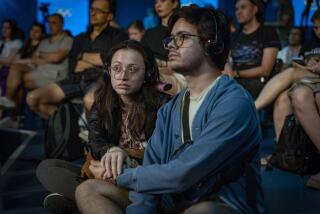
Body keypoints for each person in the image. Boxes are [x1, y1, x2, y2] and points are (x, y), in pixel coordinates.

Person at [75, 5, 265, 213]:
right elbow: (150, 172)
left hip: (221, 204)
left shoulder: (233, 103)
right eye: (170, 39)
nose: (171, 46)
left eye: (182, 37)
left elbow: (185, 173)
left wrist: (120, 176)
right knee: (88, 190)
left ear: (210, 42)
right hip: (174, 201)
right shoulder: (171, 107)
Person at [36, 40, 167, 213]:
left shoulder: (164, 106)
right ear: (108, 71)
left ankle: (83, 200)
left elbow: (166, 163)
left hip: (142, 184)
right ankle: (93, 197)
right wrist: (110, 151)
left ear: (148, 74)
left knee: (86, 187)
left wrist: (122, 170)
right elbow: (96, 140)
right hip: (108, 173)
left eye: (133, 69)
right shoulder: (102, 102)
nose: (122, 76)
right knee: (47, 168)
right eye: (117, 68)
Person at [26, 0, 128, 119]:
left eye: (98, 10)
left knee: (90, 101)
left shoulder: (119, 36)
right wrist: (98, 61)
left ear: (109, 16)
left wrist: (82, 56)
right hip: (75, 79)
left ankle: (86, 131)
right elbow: (73, 65)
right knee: (32, 99)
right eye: (92, 9)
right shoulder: (80, 38)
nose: (93, 13)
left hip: (100, 79)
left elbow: (113, 62)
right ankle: (70, 126)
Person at [255, 9, 320, 140]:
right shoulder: (310, 44)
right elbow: (297, 62)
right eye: (316, 27)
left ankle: (252, 107)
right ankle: (282, 152)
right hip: (307, 75)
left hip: (314, 76)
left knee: (290, 73)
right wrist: (308, 64)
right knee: (282, 97)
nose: (318, 31)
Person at [224, 0, 281, 100]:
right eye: (236, 9)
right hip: (235, 82)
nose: (238, 12)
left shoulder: (268, 33)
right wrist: (227, 66)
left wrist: (236, 73)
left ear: (255, 9)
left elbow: (265, 70)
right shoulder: (234, 35)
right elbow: (225, 58)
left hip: (258, 83)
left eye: (243, 7)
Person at [0, 22, 45, 122]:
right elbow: (18, 57)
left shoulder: (43, 45)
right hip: (21, 70)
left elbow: (33, 60)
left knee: (14, 68)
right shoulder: (26, 44)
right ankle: (17, 116)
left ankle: (8, 99)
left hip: (34, 69)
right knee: (19, 86)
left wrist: (17, 61)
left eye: (37, 31)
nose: (33, 33)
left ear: (42, 33)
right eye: (32, 30)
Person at [141, 0, 187, 96]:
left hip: (177, 81)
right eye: (156, 2)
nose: (158, 5)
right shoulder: (149, 33)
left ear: (174, 3)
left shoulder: (183, 33)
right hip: (151, 79)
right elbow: (141, 56)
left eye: (162, 1)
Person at [0, 19, 23, 96]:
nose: (4, 30)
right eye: (3, 27)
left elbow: (9, 60)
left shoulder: (17, 42)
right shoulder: (0, 42)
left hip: (8, 69)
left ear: (13, 29)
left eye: (7, 28)